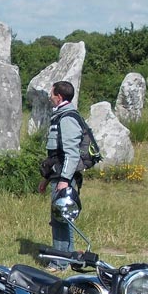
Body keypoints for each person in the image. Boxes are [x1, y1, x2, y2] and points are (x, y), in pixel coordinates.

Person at [38, 80, 85, 272]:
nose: (50, 96)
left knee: (60, 218)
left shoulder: (67, 118)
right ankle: (67, 259)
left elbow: (71, 153)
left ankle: (60, 262)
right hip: (58, 175)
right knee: (61, 217)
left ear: (59, 96)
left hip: (64, 178)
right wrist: (47, 178)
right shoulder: (61, 115)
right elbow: (56, 155)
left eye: (52, 93)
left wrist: (65, 180)